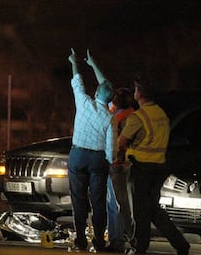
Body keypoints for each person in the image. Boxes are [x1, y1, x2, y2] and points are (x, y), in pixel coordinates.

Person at [118, 74, 190, 255]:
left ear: (139, 93)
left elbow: (121, 141)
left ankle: (139, 247)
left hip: (141, 168)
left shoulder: (138, 117)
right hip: (159, 167)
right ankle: (180, 245)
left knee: (141, 211)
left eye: (136, 89)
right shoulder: (161, 114)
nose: (134, 92)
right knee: (152, 209)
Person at [67, 48, 118, 252]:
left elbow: (77, 81)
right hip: (98, 160)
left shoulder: (84, 102)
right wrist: (111, 161)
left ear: (96, 92)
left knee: (78, 198)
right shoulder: (110, 117)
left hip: (78, 155)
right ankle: (98, 239)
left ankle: (80, 238)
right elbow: (111, 148)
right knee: (98, 201)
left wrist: (74, 62)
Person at [106, 87, 135, 252]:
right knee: (119, 204)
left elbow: (123, 142)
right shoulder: (128, 115)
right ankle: (123, 239)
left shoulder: (124, 118)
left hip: (118, 166)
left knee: (120, 204)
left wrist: (119, 159)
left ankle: (128, 239)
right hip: (119, 165)